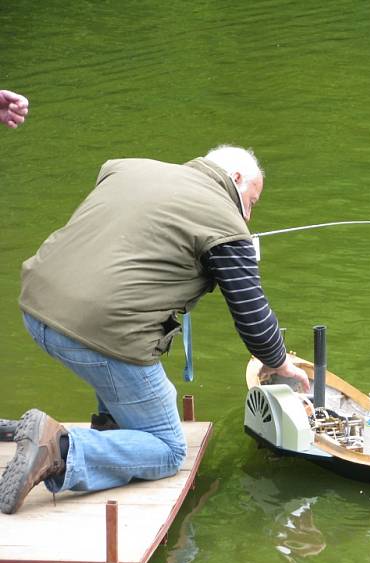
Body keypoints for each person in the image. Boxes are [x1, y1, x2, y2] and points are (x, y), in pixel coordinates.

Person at [0, 145, 309, 515]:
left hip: (37, 308)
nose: (248, 215)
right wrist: (278, 361)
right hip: (99, 333)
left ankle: (103, 428)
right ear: (236, 179)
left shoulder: (126, 169)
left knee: (112, 355)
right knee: (167, 449)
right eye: (252, 203)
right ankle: (60, 449)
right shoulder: (228, 223)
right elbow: (252, 314)